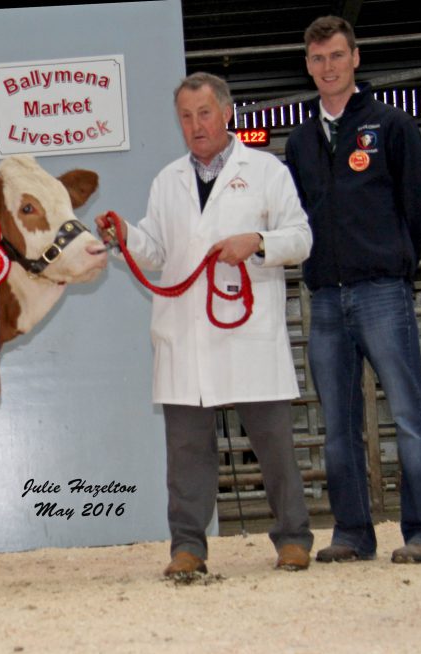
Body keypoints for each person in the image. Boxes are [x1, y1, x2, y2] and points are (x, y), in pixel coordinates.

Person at [96, 72, 314, 577]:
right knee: (187, 451)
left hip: (248, 331)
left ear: (227, 113)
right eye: (186, 117)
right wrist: (124, 234)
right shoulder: (167, 180)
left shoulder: (266, 171)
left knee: (274, 445)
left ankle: (292, 538)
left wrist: (257, 241)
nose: (196, 125)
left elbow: (301, 237)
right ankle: (188, 548)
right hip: (187, 335)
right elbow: (155, 250)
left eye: (205, 114)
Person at [285, 16, 421, 564]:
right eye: (318, 58)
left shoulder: (391, 124)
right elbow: (298, 215)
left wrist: (395, 258)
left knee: (408, 413)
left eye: (336, 55)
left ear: (355, 57)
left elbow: (420, 204)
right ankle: (353, 533)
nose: (328, 67)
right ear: (308, 65)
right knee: (337, 425)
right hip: (326, 297)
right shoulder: (301, 141)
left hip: (382, 289)